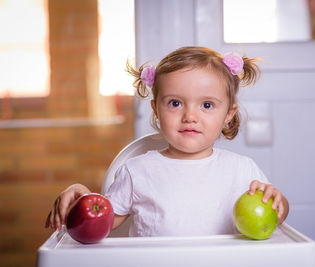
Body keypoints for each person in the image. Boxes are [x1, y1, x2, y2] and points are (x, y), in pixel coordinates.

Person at [45, 46, 289, 236]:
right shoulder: (136, 170)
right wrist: (81, 200)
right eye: (175, 103)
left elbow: (276, 217)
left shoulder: (242, 170)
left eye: (206, 105)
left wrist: (279, 203)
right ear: (156, 110)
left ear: (228, 114)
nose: (190, 116)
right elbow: (101, 224)